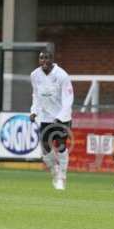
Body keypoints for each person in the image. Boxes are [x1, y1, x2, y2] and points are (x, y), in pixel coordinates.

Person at [30, 50, 74, 190]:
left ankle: (62, 175)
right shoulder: (35, 75)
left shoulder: (62, 75)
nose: (43, 60)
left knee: (60, 145)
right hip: (45, 116)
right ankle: (54, 171)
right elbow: (36, 95)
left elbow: (68, 99)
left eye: (46, 58)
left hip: (63, 116)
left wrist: (60, 117)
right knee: (45, 147)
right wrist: (33, 111)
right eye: (41, 58)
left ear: (52, 59)